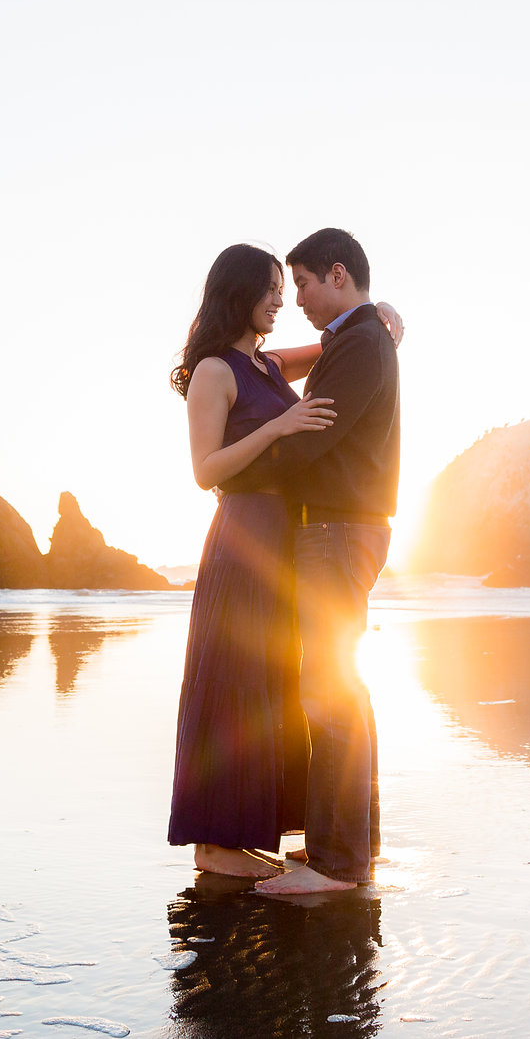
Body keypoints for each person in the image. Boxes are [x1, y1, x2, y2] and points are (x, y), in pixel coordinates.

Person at [167, 243, 403, 881]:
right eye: (273, 288)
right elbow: (204, 471)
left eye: (289, 285)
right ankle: (212, 842)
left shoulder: (268, 365)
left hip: (285, 544)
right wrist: (275, 429)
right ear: (239, 293)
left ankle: (264, 831)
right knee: (231, 684)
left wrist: (379, 312)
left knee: (274, 691)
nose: (283, 300)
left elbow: (342, 346)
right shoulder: (215, 370)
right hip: (244, 537)